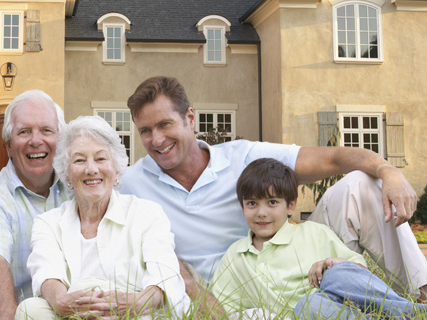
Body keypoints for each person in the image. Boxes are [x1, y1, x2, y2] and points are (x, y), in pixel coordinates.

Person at [119, 76, 427, 306]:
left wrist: (390, 172)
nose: (156, 140)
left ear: (189, 117)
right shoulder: (130, 183)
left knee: (361, 184)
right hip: (225, 290)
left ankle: (421, 294)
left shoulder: (242, 156)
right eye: (145, 131)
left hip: (292, 262)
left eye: (164, 124)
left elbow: (333, 157)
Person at [17, 116, 190, 319]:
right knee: (29, 309)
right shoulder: (48, 223)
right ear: (67, 175)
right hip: (74, 315)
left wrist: (137, 302)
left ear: (116, 171)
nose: (91, 169)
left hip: (132, 313)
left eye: (100, 159)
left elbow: (165, 276)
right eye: (80, 160)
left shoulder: (147, 214)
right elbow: (47, 273)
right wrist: (62, 302)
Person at [210, 158, 426, 319]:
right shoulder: (236, 254)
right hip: (304, 315)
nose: (261, 213)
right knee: (308, 306)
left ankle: (410, 312)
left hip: (334, 303)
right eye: (252, 204)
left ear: (291, 206)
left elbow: (359, 273)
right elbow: (223, 305)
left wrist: (333, 263)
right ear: (242, 207)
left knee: (331, 280)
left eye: (272, 202)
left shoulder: (313, 232)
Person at [0, 90, 70, 320]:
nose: (36, 141)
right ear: (8, 147)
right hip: (14, 310)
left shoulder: (77, 188)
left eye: (46, 130)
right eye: (24, 132)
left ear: (61, 140)